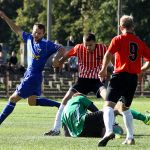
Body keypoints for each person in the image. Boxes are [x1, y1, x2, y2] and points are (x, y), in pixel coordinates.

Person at [0, 10, 65, 125]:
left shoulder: (46, 44)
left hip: (33, 76)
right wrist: (5, 17)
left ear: (43, 34)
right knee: (32, 102)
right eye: (35, 32)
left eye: (39, 33)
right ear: (32, 31)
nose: (36, 35)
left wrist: (56, 59)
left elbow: (62, 49)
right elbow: (16, 29)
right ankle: (59, 105)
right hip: (33, 76)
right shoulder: (29, 38)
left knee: (12, 99)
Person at [98, 15, 150, 146]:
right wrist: (141, 70)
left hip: (119, 76)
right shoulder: (139, 42)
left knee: (108, 106)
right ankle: (130, 137)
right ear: (133, 27)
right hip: (132, 79)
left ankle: (109, 131)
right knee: (124, 108)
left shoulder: (118, 39)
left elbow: (108, 55)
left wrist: (103, 69)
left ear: (121, 27)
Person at [44, 33, 109, 136]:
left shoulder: (102, 48)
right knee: (65, 99)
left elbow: (111, 57)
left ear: (95, 43)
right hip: (82, 81)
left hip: (96, 80)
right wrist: (58, 63)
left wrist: (113, 69)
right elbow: (66, 56)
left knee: (108, 98)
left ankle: (111, 125)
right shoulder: (78, 48)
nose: (87, 47)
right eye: (85, 45)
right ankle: (56, 129)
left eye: (90, 45)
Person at [62, 93, 150, 138]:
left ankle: (112, 131)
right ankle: (145, 118)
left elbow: (66, 134)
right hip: (84, 122)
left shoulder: (65, 110)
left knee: (116, 130)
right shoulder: (80, 98)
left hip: (79, 134)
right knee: (116, 107)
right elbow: (95, 110)